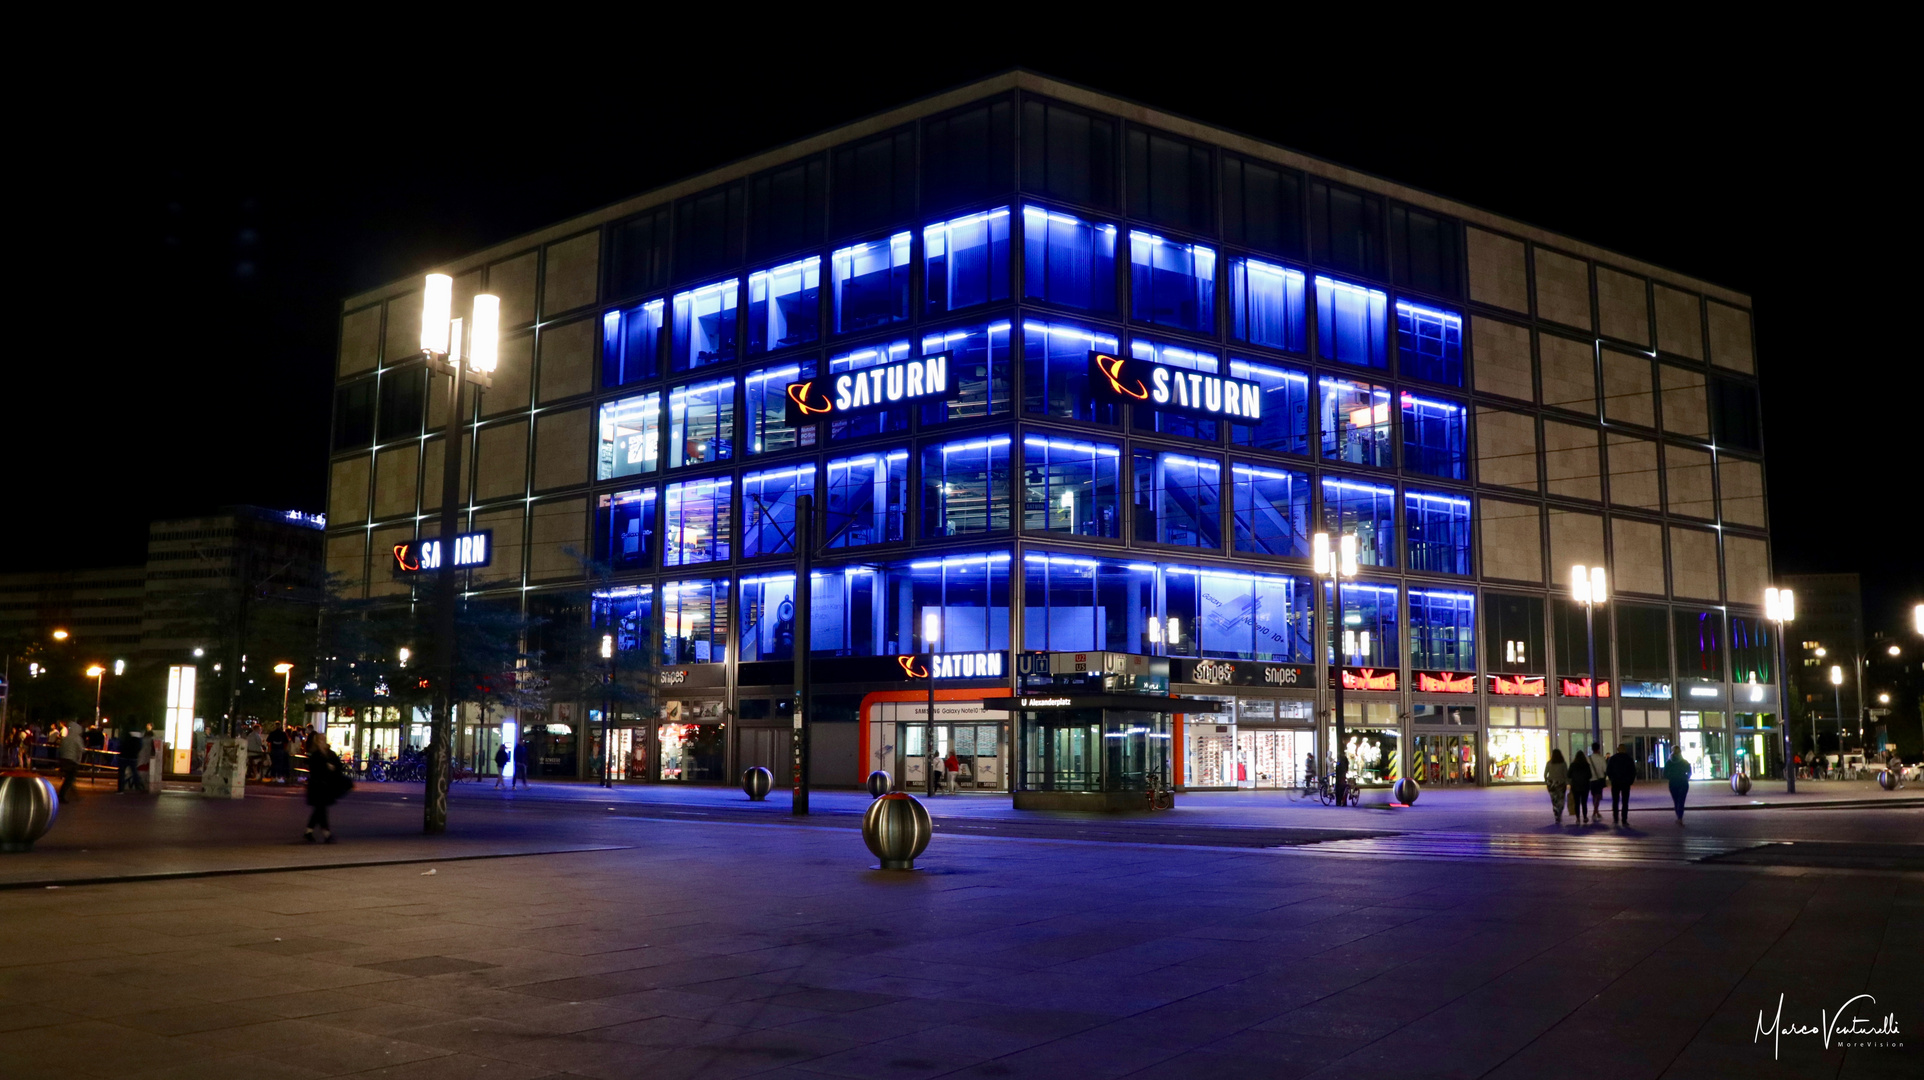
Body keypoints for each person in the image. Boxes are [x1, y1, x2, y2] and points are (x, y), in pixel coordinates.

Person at [304, 732, 349, 842]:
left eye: (323, 739)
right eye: (320, 740)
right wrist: (327, 767)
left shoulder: (329, 753)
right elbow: (314, 769)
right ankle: (326, 834)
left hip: (325, 785)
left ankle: (309, 831)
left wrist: (333, 768)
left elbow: (339, 766)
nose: (322, 741)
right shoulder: (316, 754)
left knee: (319, 809)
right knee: (321, 809)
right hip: (318, 785)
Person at [1606, 743, 1637, 825]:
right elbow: (1633, 771)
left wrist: (1611, 778)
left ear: (1618, 749)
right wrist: (1630, 781)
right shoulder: (1629, 759)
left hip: (1616, 782)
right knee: (1625, 801)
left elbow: (1608, 770)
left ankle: (1616, 818)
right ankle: (1624, 819)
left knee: (1615, 801)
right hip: (1625, 782)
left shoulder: (1613, 759)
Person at [57, 720, 84, 803]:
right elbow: (81, 750)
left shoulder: (66, 738)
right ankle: (63, 795)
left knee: (69, 778)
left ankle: (71, 794)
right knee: (70, 778)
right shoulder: (77, 739)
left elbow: (61, 749)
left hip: (64, 759)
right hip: (73, 760)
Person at [1665, 750, 1694, 824]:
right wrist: (1687, 777)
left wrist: (1670, 777)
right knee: (1681, 801)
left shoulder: (1669, 762)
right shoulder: (1684, 762)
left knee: (1676, 800)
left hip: (1673, 783)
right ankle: (1680, 817)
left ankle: (1679, 816)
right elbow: (1689, 771)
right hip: (1683, 782)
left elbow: (1665, 773)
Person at [1566, 749, 1593, 824]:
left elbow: (1568, 775)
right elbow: (1590, 775)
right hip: (1585, 786)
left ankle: (1578, 818)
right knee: (1584, 802)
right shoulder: (1586, 765)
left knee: (1577, 802)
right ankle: (1585, 817)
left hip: (1575, 786)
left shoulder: (1573, 765)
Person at [1544, 748, 1569, 824]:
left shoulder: (1549, 763)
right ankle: (1559, 813)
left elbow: (1545, 774)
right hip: (1561, 784)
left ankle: (1556, 815)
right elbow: (1566, 774)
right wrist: (1568, 782)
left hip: (1552, 784)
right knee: (1561, 800)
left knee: (1554, 801)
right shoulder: (1563, 763)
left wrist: (1547, 782)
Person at [1587, 741, 1609, 820]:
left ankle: (1596, 811)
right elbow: (1605, 769)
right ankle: (1595, 811)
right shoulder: (1601, 758)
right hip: (1599, 779)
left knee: (1594, 795)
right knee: (1598, 796)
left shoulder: (1588, 758)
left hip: (1591, 779)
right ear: (1598, 749)